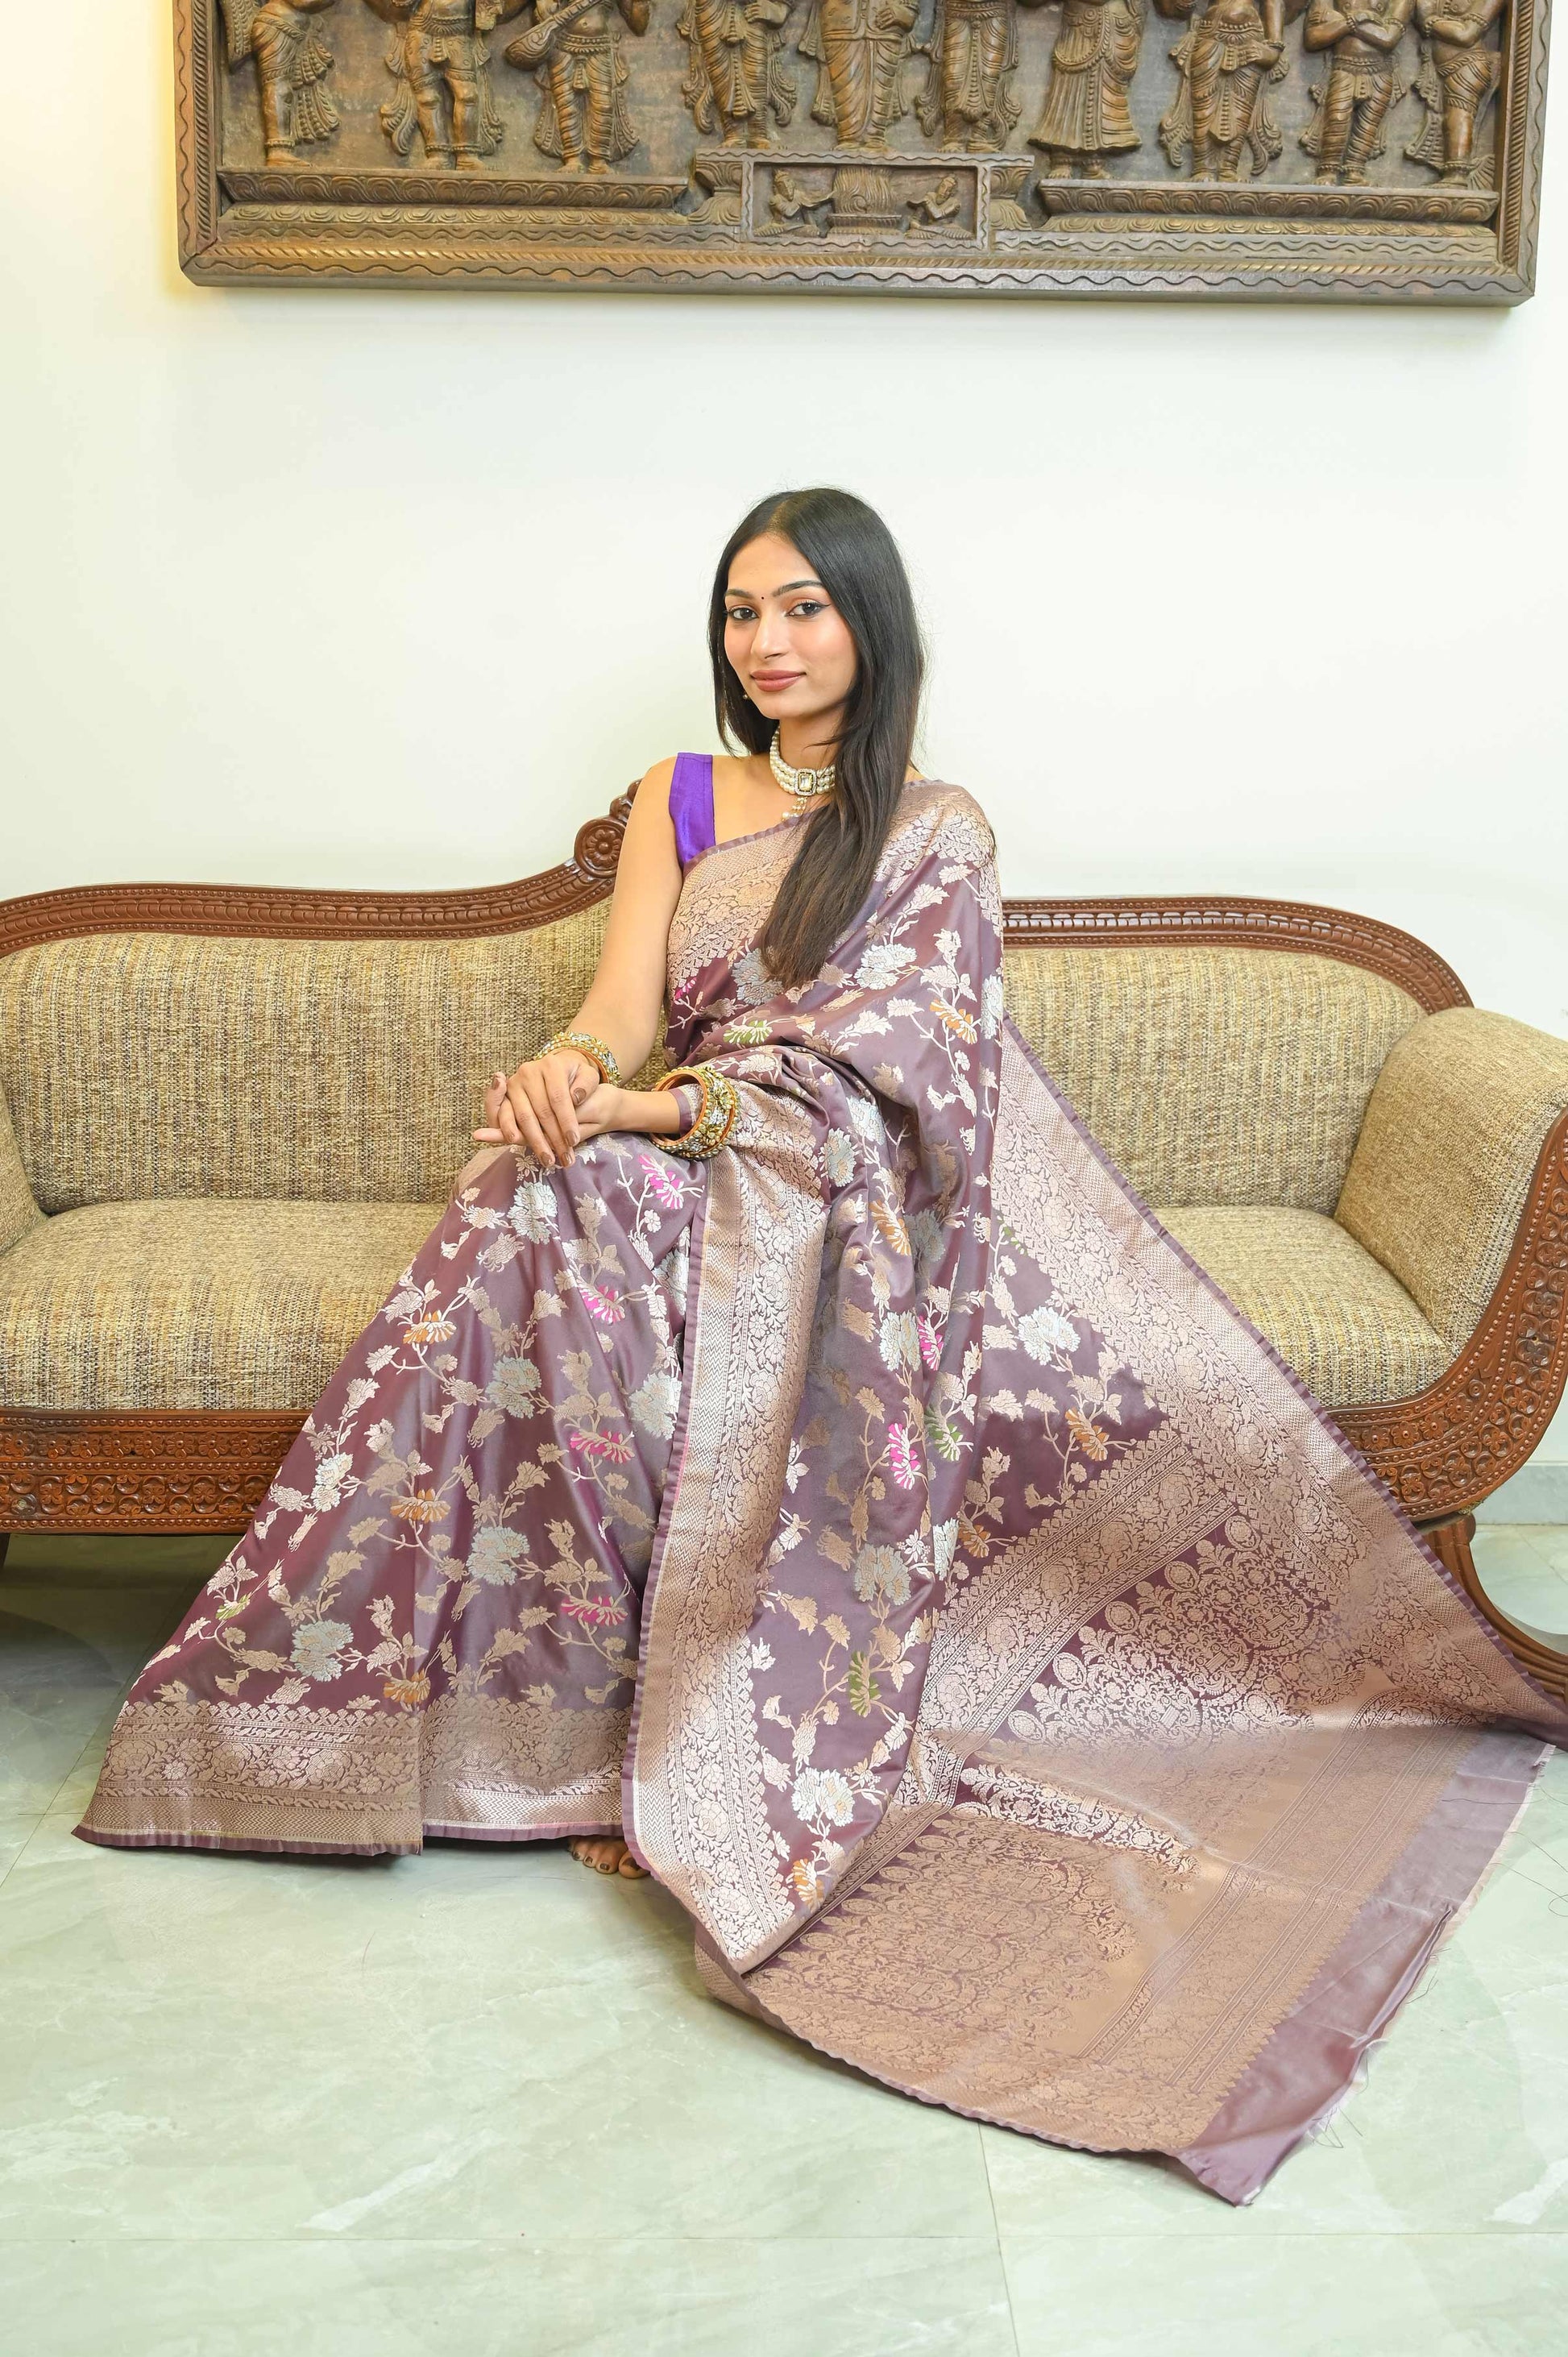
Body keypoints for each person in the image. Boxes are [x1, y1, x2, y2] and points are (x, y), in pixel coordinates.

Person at [78, 488, 1567, 2202]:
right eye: (740, 612)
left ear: (870, 620)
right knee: (527, 1197)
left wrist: (659, 1112)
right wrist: (570, 1073)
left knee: (568, 1205)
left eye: (801, 606)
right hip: (671, 1154)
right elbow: (622, 1006)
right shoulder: (681, 795)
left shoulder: (935, 832)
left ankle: (639, 1736)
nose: (767, 641)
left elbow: (903, 1082)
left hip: (826, 1193)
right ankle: (473, 1734)